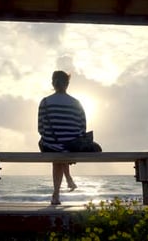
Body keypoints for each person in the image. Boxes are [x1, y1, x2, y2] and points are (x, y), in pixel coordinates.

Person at [38, 70, 84, 205]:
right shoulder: (77, 103)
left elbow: (40, 129)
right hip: (71, 147)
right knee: (62, 148)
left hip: (51, 145)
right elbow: (82, 128)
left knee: (54, 149)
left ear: (53, 83)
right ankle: (67, 179)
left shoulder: (45, 102)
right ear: (67, 84)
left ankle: (56, 194)